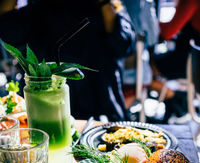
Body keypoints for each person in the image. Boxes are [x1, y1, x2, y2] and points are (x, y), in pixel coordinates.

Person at [0, 0, 135, 121]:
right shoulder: (40, 10)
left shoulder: (104, 6)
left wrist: (105, 4)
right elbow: (7, 30)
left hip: (102, 106)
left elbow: (124, 45)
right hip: (50, 109)